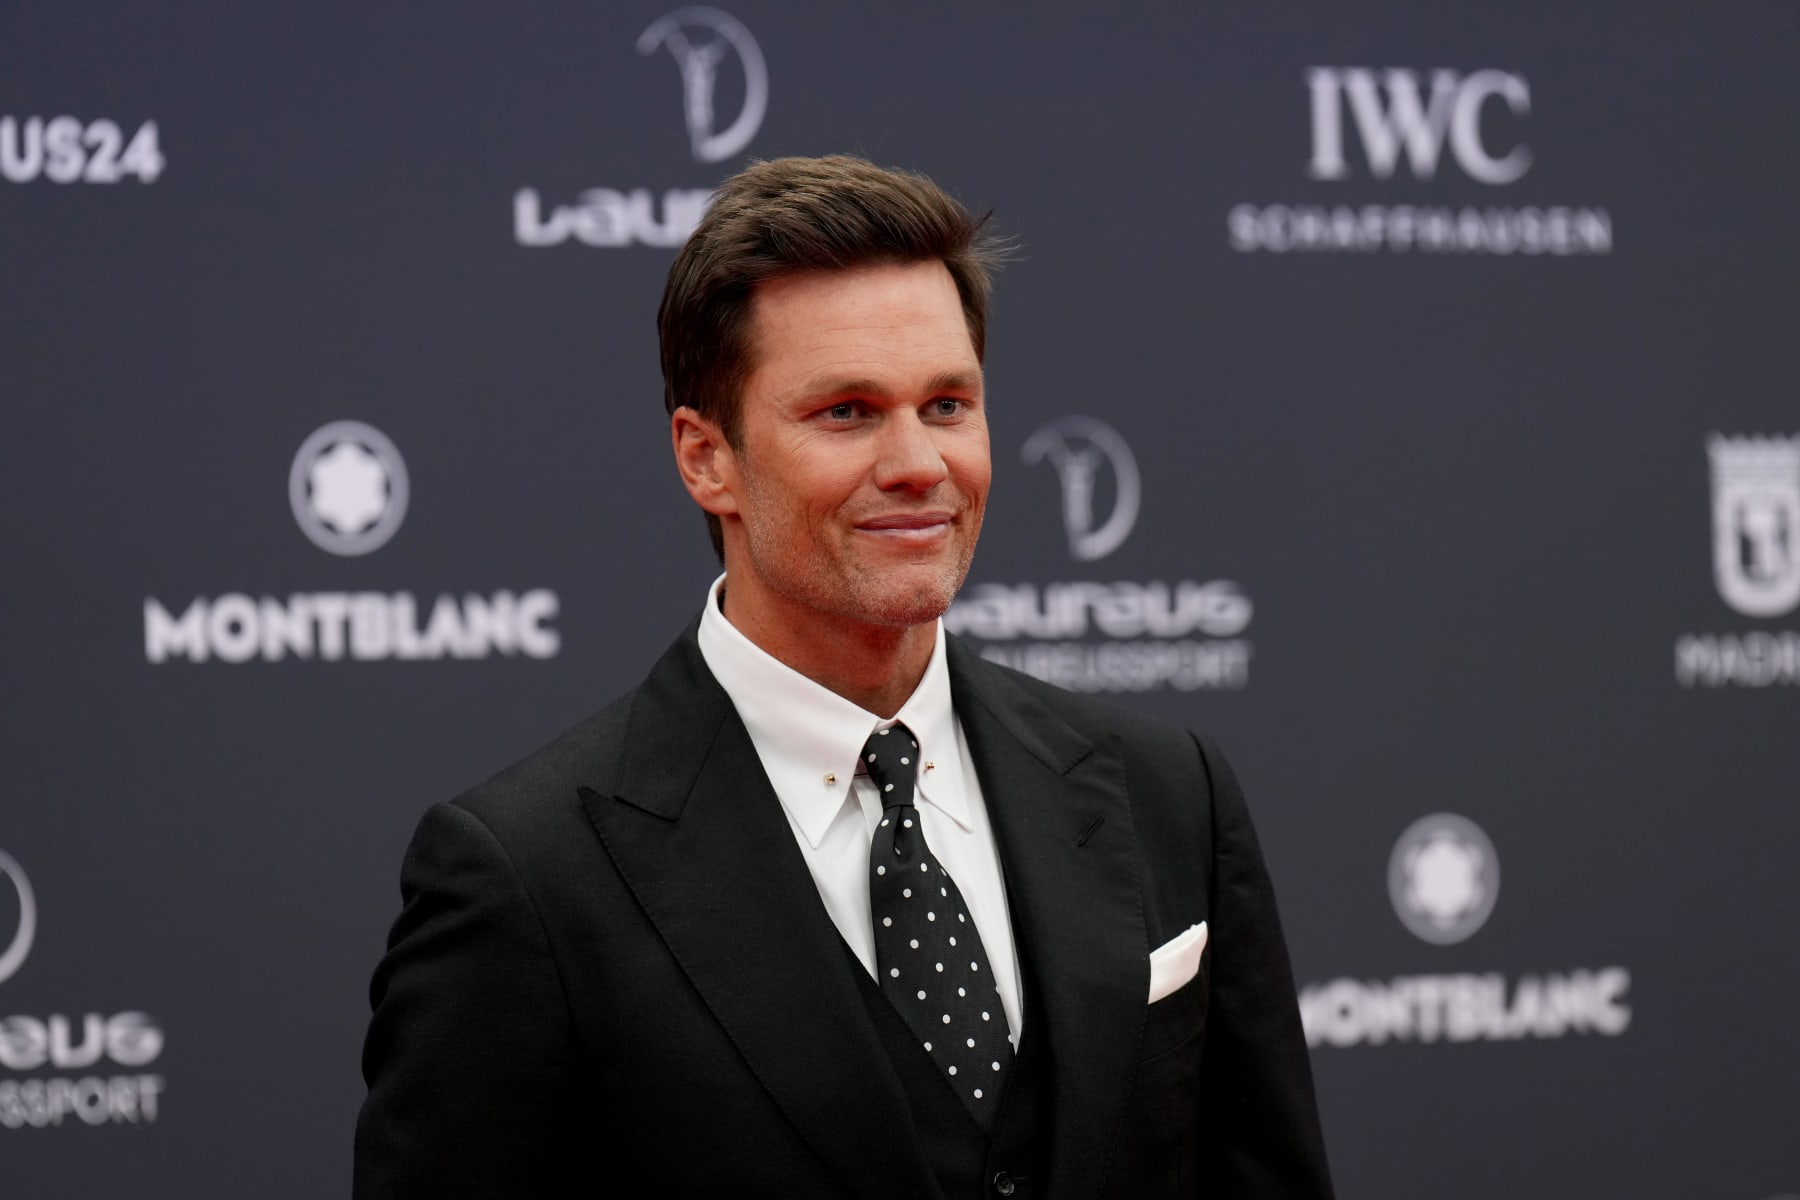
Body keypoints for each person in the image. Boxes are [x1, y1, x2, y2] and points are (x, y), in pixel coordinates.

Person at [354, 154, 1334, 1199]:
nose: (920, 462)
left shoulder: (1166, 792)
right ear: (706, 458)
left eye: (949, 404)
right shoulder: (527, 879)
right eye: (848, 412)